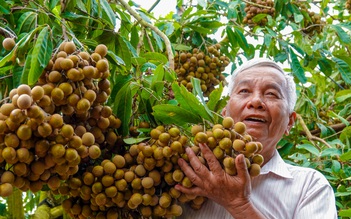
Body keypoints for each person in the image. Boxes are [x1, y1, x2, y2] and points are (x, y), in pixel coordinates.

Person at [175, 58, 337, 219]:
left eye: (271, 94)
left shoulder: (310, 186)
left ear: (290, 122)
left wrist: (238, 204)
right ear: (224, 114)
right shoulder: (185, 168)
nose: (256, 101)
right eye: (244, 91)